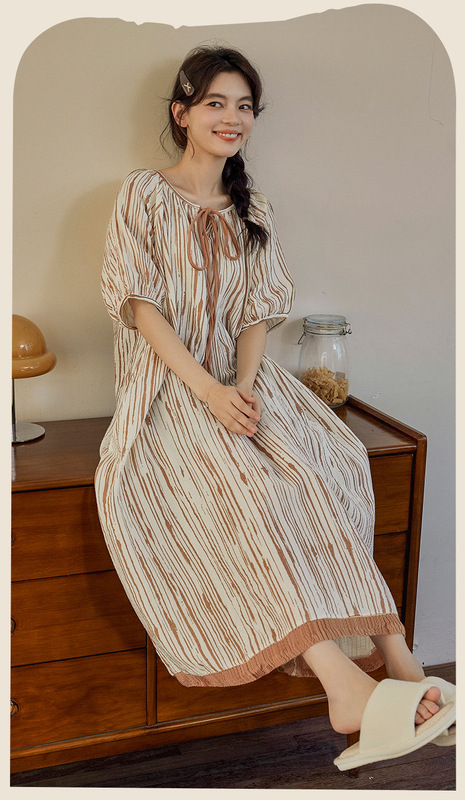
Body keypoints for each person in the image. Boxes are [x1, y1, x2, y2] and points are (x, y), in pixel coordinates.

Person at [95, 44, 455, 770]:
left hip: (245, 378)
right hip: (168, 387)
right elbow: (140, 306)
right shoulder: (142, 193)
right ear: (182, 113)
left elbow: (257, 310)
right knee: (248, 488)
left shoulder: (252, 205)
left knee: (332, 465)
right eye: (215, 103)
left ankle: (398, 659)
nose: (232, 118)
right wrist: (208, 391)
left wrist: (245, 383)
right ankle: (342, 685)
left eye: (244, 106)